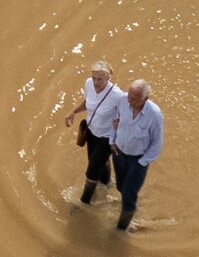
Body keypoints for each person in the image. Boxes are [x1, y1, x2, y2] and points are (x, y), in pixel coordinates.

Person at [104, 78, 164, 233]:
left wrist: (142, 162)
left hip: (137, 160)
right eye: (129, 95)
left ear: (145, 99)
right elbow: (115, 121)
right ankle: (129, 204)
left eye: (134, 98)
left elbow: (157, 143)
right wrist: (112, 141)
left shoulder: (155, 115)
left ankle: (120, 230)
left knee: (129, 195)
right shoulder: (123, 100)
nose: (129, 100)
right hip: (119, 153)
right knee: (120, 187)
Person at [62, 61, 121, 207]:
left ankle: (84, 202)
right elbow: (88, 102)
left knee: (91, 172)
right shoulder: (88, 84)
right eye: (94, 77)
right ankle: (107, 182)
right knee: (97, 162)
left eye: (100, 79)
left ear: (108, 79)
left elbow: (126, 116)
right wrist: (74, 111)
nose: (96, 81)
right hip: (92, 131)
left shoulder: (117, 96)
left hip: (107, 137)